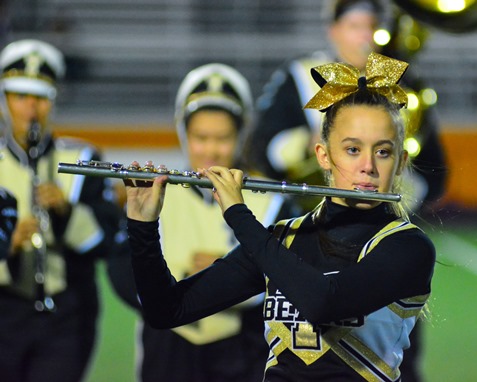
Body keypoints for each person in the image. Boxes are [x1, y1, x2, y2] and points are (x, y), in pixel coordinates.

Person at [124, 52, 436, 381]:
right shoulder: (285, 238)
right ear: (324, 155)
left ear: (401, 161)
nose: (368, 166)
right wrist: (142, 225)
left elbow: (325, 304)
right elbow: (167, 309)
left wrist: (237, 214)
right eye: (352, 149)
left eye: (383, 151)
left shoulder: (408, 248)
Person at [107, 63, 298, 382]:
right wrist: (168, 288)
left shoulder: (274, 201)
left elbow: (291, 278)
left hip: (244, 350)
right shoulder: (153, 192)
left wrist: (222, 279)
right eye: (200, 137)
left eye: (223, 137)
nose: (211, 149)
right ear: (184, 133)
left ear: (241, 135)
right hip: (169, 348)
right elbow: (120, 267)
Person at [247, 0, 447, 214]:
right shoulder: (301, 75)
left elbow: (433, 167)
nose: (366, 37)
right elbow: (264, 148)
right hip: (313, 210)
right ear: (333, 31)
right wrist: (306, 144)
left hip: (386, 212)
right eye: (355, 27)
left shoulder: (401, 80)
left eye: (372, 26)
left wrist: (407, 190)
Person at [0, 39, 117, 382]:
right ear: (5, 101)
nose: (30, 109)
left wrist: (67, 211)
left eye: (40, 98)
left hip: (67, 317)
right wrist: (8, 243)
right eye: (20, 97)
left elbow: (107, 242)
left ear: (53, 101)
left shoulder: (83, 160)